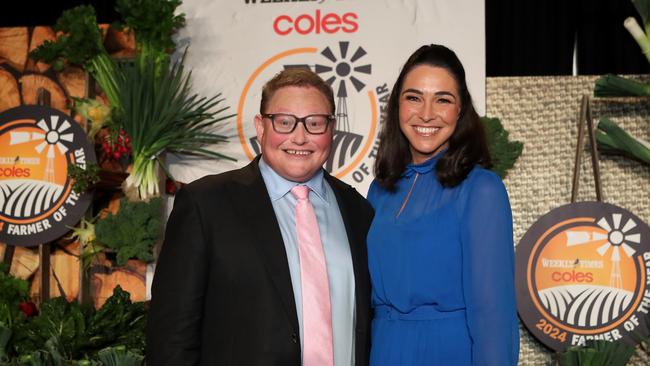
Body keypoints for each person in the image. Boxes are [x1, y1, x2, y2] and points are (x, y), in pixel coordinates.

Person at [146, 68, 374, 366]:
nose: (300, 137)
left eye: (315, 123)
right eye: (284, 122)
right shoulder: (206, 205)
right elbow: (171, 338)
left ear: (332, 130)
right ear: (261, 127)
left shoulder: (358, 211)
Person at [366, 44, 519, 365]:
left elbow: (494, 314)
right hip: (384, 350)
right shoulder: (379, 191)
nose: (426, 113)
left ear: (460, 111)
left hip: (447, 351)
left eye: (443, 100)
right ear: (397, 106)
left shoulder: (481, 189)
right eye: (413, 97)